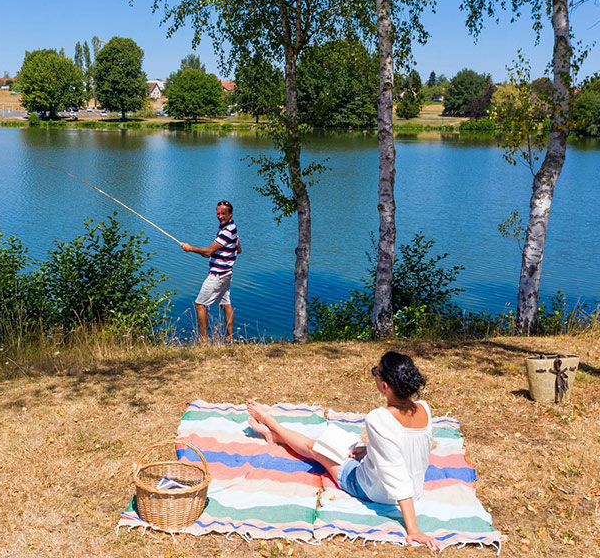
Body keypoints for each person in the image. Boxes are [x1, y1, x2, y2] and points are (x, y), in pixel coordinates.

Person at [246, 351, 439, 551]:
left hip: (375, 489)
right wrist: (371, 450)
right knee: (337, 444)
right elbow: (409, 448)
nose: (374, 375)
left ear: (385, 386)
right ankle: (277, 436)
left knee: (316, 447)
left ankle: (271, 425)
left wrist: (413, 529)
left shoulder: (379, 418)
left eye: (376, 371)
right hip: (414, 488)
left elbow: (395, 472)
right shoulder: (423, 409)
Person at [180, 200, 241, 343]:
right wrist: (216, 253)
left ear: (230, 214)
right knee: (226, 303)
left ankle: (203, 340)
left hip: (218, 274)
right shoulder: (232, 228)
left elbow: (209, 250)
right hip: (227, 273)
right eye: (218, 213)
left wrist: (190, 249)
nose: (220, 216)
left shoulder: (226, 231)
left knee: (200, 304)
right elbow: (238, 249)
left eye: (223, 214)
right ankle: (230, 339)